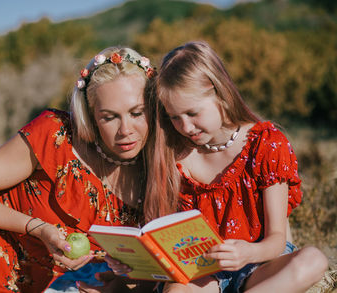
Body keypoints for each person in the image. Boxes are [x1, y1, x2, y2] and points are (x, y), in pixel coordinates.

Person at [0, 46, 158, 292]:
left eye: (137, 113)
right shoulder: (57, 133)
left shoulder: (158, 174)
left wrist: (116, 283)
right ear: (90, 115)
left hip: (6, 283)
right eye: (109, 117)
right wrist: (37, 228)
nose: (126, 131)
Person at [140, 41, 329, 292]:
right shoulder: (176, 154)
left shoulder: (266, 145)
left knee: (313, 260)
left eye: (192, 113)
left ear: (220, 93)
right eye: (175, 117)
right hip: (204, 274)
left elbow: (276, 239)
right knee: (176, 290)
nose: (185, 127)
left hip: (259, 263)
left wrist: (249, 252)